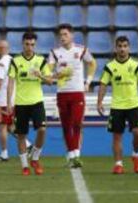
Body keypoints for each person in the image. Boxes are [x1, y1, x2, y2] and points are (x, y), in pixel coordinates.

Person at [97, 36, 138, 174]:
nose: (122, 49)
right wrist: (99, 102)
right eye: (119, 46)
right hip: (117, 106)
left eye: (125, 46)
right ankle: (118, 164)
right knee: (117, 136)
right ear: (116, 48)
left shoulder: (136, 65)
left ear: (129, 48)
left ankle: (136, 156)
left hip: (133, 105)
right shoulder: (110, 67)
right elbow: (103, 84)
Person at [48, 23, 96, 168]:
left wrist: (88, 82)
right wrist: (55, 75)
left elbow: (92, 63)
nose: (62, 37)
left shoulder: (81, 50)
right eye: (60, 35)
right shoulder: (55, 52)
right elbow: (48, 72)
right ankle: (71, 155)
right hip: (62, 93)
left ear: (71, 35)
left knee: (77, 124)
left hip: (77, 92)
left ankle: (75, 155)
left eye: (65, 34)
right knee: (66, 125)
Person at [7, 32, 53, 176]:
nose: (29, 47)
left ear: (35, 45)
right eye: (27, 44)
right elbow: (10, 83)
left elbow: (51, 81)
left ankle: (35, 157)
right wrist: (9, 102)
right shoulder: (15, 61)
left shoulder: (40, 60)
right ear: (23, 44)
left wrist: (41, 76)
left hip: (37, 102)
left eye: (32, 44)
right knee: (21, 135)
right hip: (21, 103)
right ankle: (25, 166)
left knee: (42, 130)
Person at [0, 40, 33, 162]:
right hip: (14, 98)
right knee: (10, 126)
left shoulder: (1, 63)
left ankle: (4, 154)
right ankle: (28, 145)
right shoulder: (14, 60)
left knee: (2, 127)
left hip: (3, 99)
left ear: (2, 48)